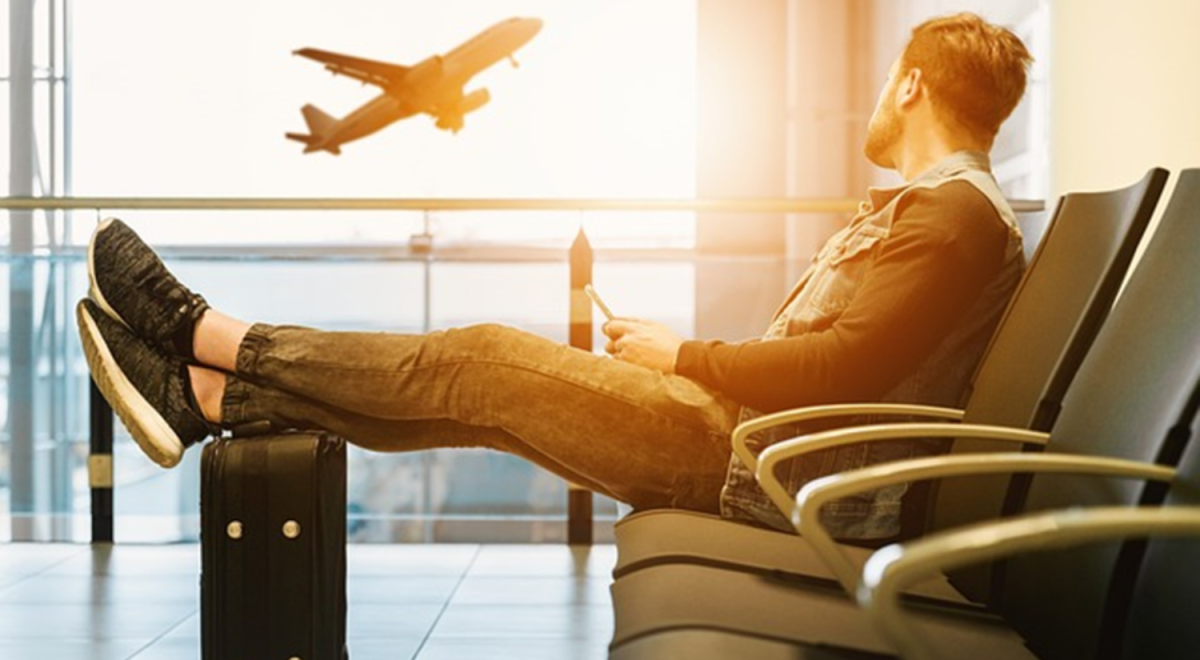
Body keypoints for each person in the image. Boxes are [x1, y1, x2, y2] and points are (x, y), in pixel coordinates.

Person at [77, 12, 1033, 539]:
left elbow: (843, 370)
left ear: (909, 84)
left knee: (478, 359)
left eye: (883, 84)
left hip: (758, 469)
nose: (874, 101)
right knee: (480, 405)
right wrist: (686, 361)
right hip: (756, 452)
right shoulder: (944, 214)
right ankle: (207, 399)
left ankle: (202, 332)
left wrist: (686, 354)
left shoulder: (952, 216)